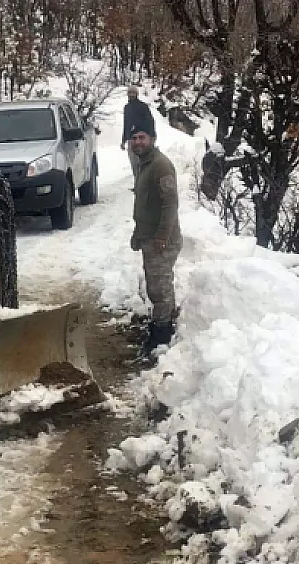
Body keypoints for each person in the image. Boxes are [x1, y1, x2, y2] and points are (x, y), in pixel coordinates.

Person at [128, 126, 181, 359]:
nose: (138, 142)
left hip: (162, 240)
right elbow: (145, 204)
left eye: (142, 137)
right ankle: (163, 324)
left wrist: (162, 236)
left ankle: (162, 335)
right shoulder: (144, 164)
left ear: (152, 139)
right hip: (149, 237)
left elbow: (170, 205)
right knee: (154, 285)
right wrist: (138, 233)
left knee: (160, 287)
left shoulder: (161, 165)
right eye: (134, 138)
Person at [120, 85, 154, 185]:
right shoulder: (127, 108)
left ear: (137, 94)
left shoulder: (143, 106)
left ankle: (144, 182)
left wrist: (151, 136)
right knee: (133, 162)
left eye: (133, 93)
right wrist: (123, 140)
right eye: (129, 93)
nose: (131, 95)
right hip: (131, 138)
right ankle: (138, 182)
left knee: (143, 160)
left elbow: (150, 121)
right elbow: (126, 124)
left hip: (142, 137)